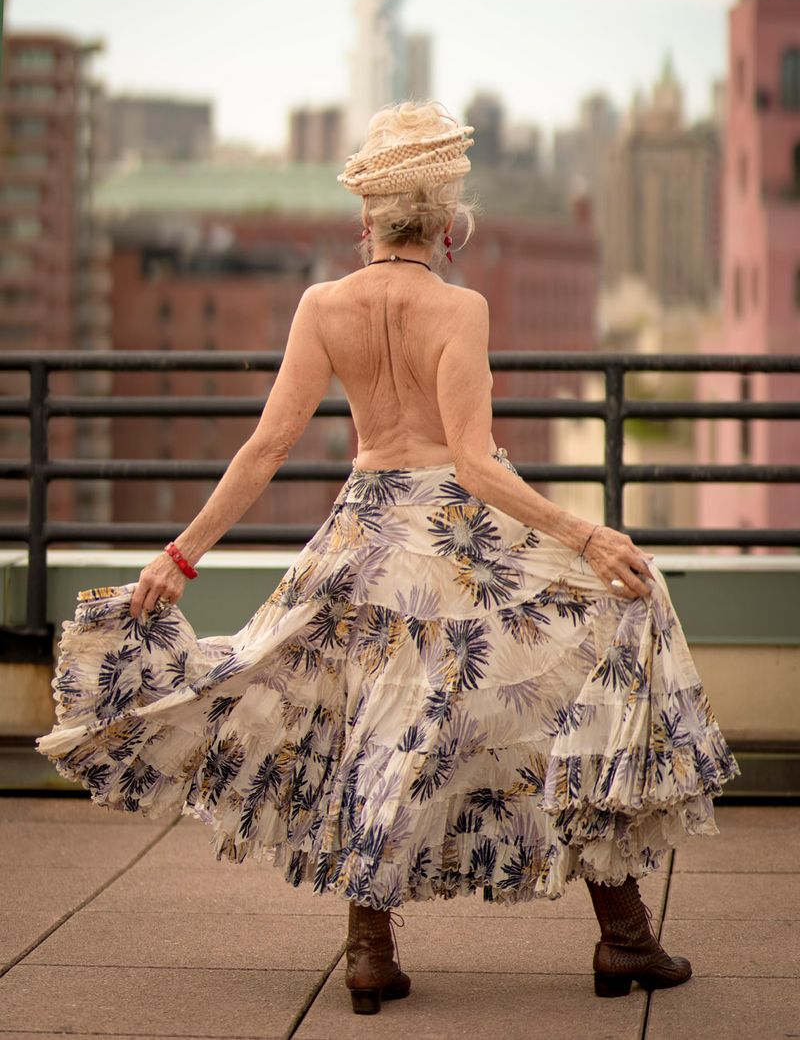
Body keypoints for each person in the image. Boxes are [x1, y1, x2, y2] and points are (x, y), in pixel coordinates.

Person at [36, 100, 740, 1014]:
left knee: (375, 725)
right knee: (588, 663)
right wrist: (591, 535)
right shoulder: (461, 306)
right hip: (456, 541)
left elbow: (267, 447)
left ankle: (370, 956)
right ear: (449, 223)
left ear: (365, 219)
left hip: (363, 540)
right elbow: (477, 464)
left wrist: (181, 555)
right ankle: (624, 938)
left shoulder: (323, 305)